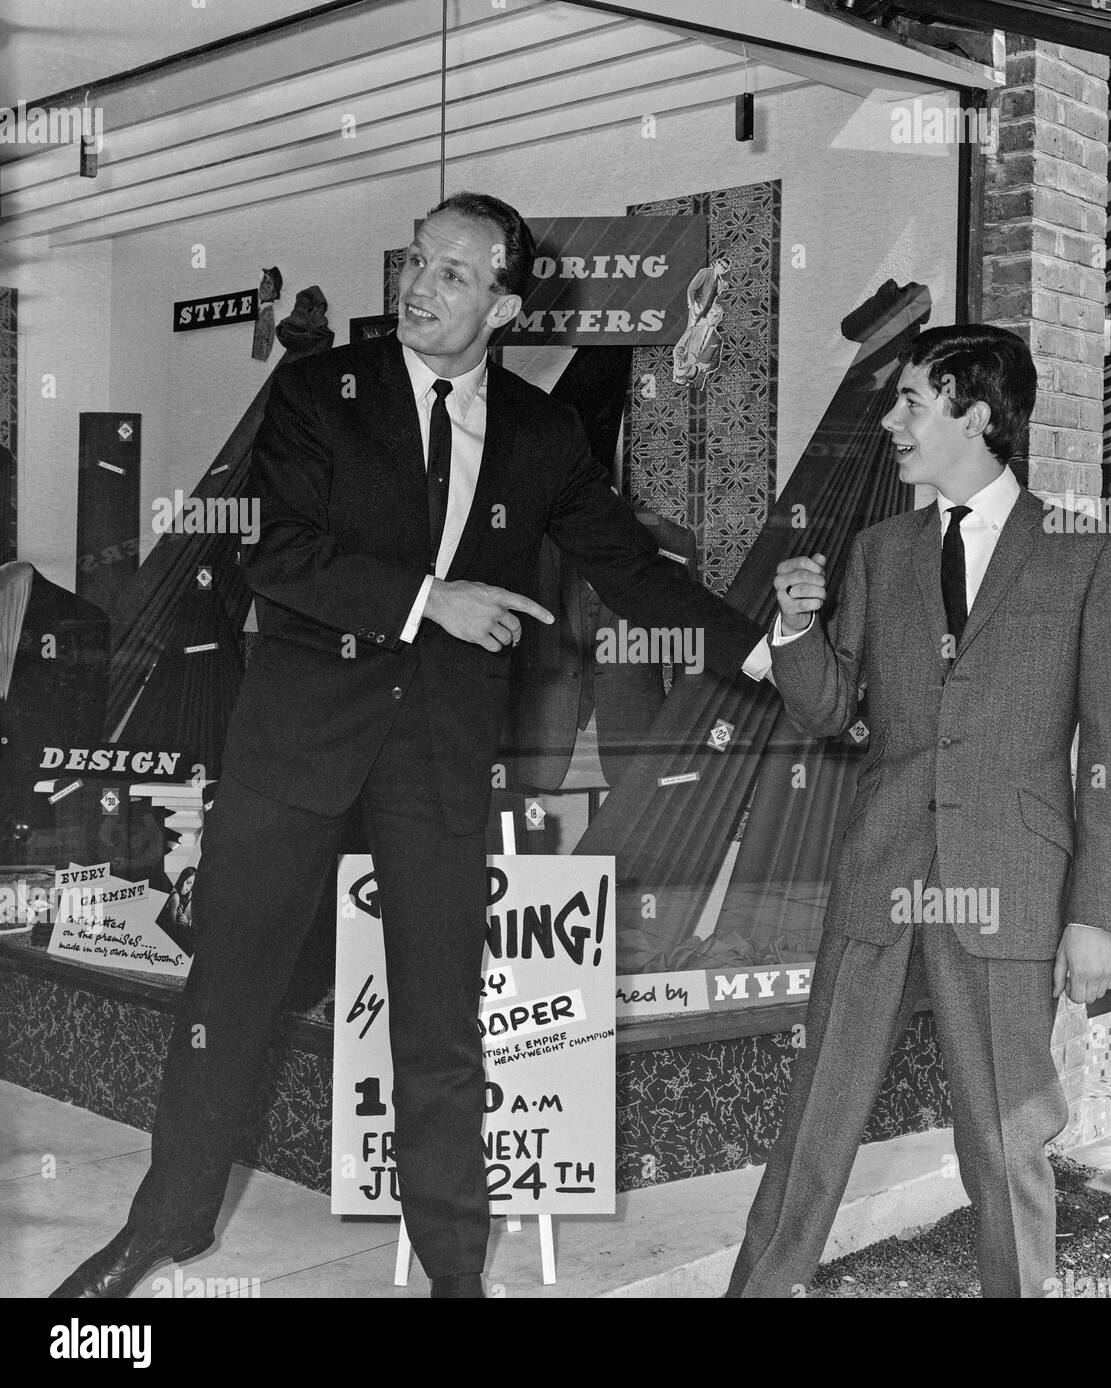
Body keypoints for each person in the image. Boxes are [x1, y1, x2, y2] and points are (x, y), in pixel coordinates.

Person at [53, 191, 766, 1299]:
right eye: (419, 261)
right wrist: (432, 600)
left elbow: (630, 569)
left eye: (452, 272)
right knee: (227, 994)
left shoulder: (542, 435)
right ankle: (162, 1228)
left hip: (434, 752)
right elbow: (274, 553)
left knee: (438, 1021)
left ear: (504, 306)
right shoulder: (318, 393)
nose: (420, 286)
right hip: (294, 744)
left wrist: (763, 652)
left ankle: (452, 1269)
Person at [727, 323, 1111, 1298]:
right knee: (814, 1122)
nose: (892, 421)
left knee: (1006, 1137)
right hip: (881, 870)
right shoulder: (880, 552)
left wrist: (1096, 912)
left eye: (913, 402)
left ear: (976, 415)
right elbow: (830, 709)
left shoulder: (1087, 553)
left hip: (1011, 878)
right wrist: (794, 627)